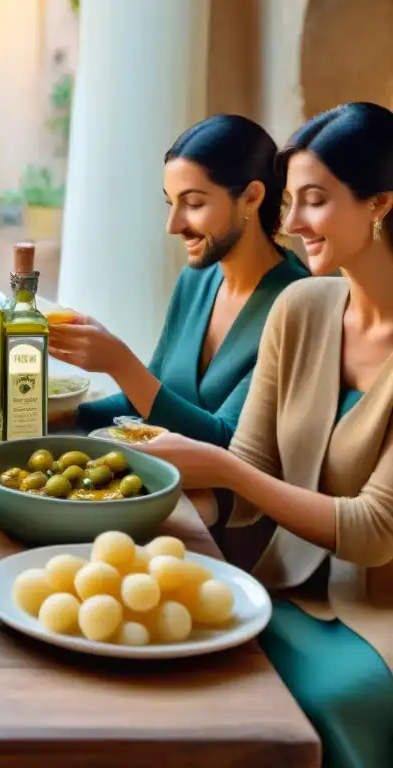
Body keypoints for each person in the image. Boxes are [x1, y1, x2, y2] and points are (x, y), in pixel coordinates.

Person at [138, 102, 393, 768]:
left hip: (374, 615)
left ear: (380, 203)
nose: (293, 223)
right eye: (290, 201)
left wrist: (222, 472)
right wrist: (141, 505)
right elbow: (247, 472)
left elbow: (371, 531)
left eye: (316, 200)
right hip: (280, 586)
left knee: (319, 699)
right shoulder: (303, 307)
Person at [48, 115, 309, 446]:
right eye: (171, 203)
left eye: (194, 203)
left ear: (251, 198)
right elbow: (146, 399)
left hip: (226, 497)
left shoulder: (299, 303)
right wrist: (55, 417)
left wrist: (119, 362)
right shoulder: (195, 280)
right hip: (167, 483)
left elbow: (228, 440)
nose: (173, 225)